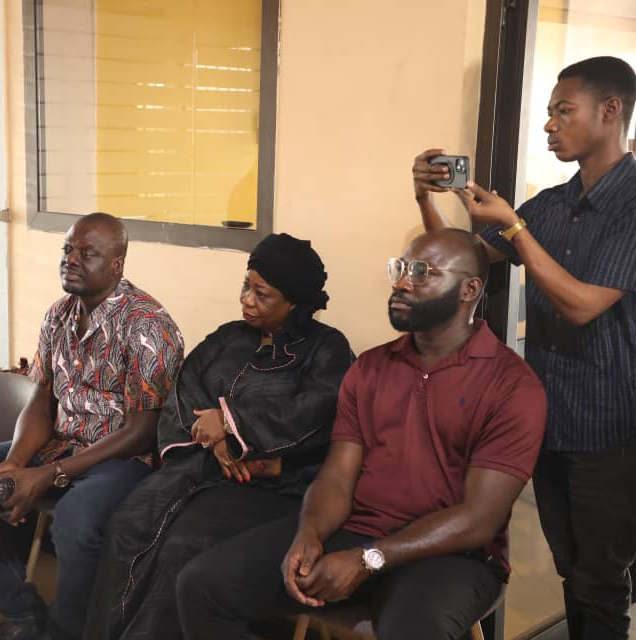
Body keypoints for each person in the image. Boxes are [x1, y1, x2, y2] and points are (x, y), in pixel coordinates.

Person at [174, 230, 546, 639]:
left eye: (421, 272)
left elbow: (478, 520)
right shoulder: (370, 368)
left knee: (413, 631)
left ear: (469, 290)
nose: (402, 282)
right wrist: (310, 533)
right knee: (201, 587)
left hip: (451, 556)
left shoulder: (512, 385)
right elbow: (337, 476)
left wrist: (369, 560)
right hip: (357, 533)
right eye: (400, 268)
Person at [413, 56, 636, 638]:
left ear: (610, 110)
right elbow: (460, 259)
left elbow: (583, 305)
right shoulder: (549, 206)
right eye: (549, 113)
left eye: (563, 111)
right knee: (571, 569)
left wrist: (515, 229)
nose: (549, 125)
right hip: (548, 419)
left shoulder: (631, 205)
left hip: (613, 428)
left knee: (601, 579)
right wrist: (426, 200)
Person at [83, 233, 353, 640]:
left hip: (269, 486)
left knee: (183, 544)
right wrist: (217, 442)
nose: (247, 299)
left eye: (262, 294)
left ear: (294, 303)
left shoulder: (327, 349)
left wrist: (230, 422)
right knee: (126, 526)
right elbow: (185, 389)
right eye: (246, 286)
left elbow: (314, 412)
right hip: (198, 466)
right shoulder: (228, 337)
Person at [0, 213, 184, 640]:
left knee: (74, 518)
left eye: (87, 253)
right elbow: (41, 402)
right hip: (62, 443)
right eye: (68, 249)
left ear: (117, 264)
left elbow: (142, 431)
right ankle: (22, 612)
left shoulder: (148, 325)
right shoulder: (58, 316)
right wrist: (15, 463)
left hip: (124, 458)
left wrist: (49, 475)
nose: (70, 259)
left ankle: (65, 632)